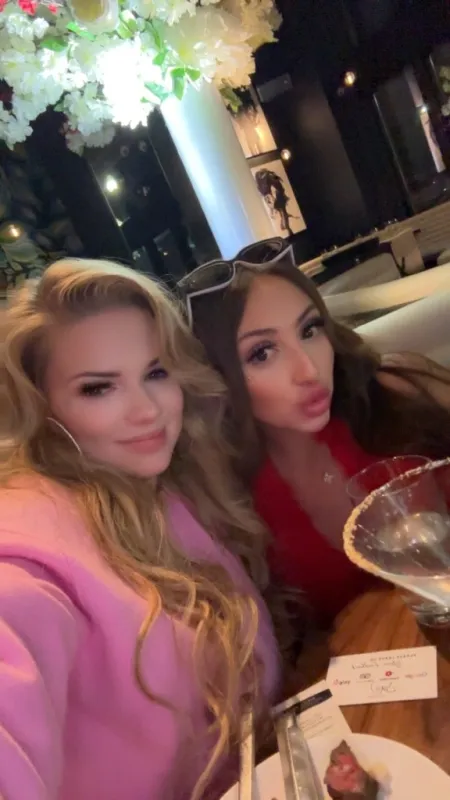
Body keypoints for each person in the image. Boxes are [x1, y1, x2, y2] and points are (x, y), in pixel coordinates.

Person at [0, 258, 282, 800]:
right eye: (98, 389)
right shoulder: (28, 550)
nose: (148, 411)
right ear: (42, 406)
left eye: (156, 373)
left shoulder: (165, 486)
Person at [179, 238, 450, 626]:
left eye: (309, 329)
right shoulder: (234, 504)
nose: (309, 370)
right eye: (262, 353)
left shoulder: (394, 391)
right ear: (217, 379)